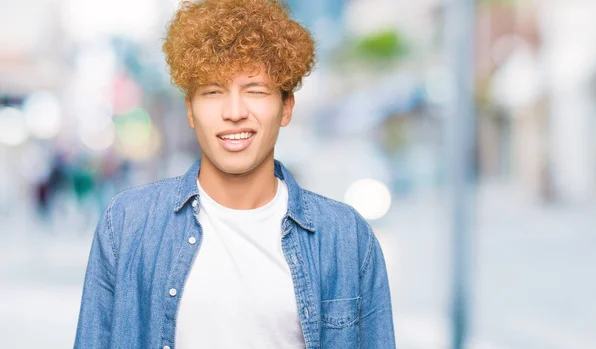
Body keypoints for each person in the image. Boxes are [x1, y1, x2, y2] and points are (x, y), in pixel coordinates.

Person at [74, 0, 396, 348]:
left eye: (255, 91)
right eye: (213, 92)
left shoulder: (346, 238)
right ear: (191, 111)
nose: (234, 112)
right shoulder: (128, 224)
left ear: (286, 107)